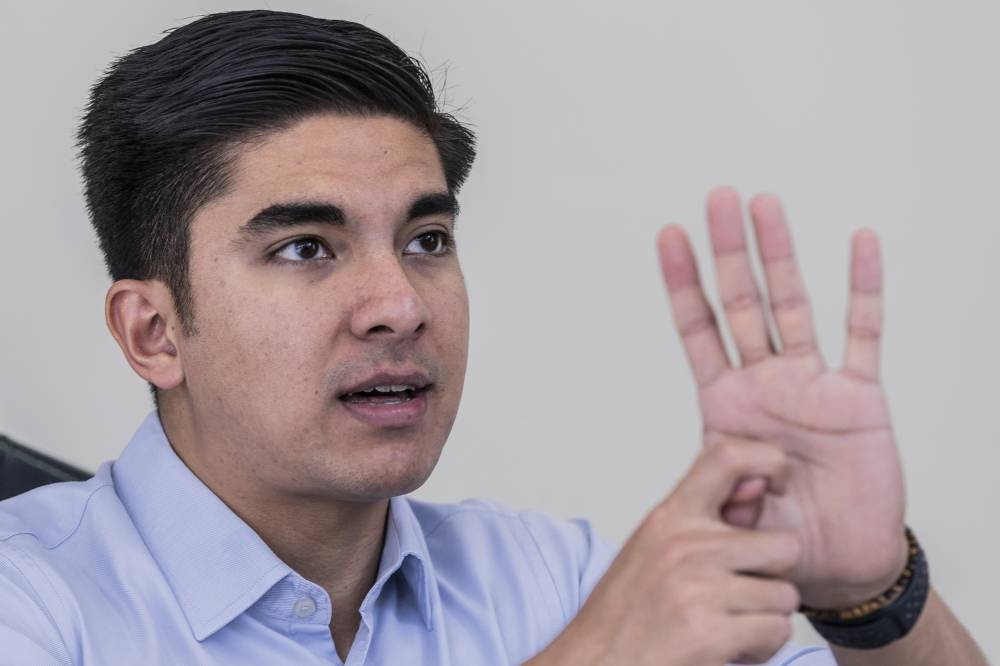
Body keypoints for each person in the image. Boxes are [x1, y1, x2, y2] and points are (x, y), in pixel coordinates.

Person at [0, 9, 986, 666]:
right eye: (306, 248)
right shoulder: (33, 608)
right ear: (153, 330)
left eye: (427, 239)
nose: (399, 303)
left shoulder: (554, 579)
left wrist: (872, 596)